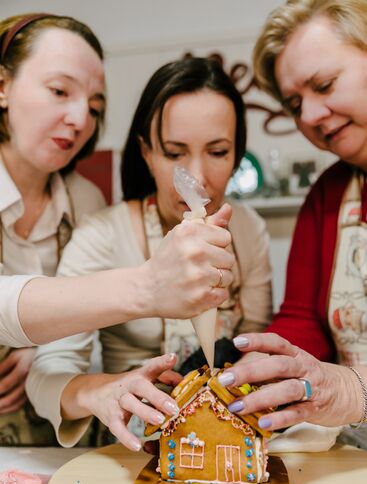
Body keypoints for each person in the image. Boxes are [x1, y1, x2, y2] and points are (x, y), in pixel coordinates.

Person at [0, 15, 234, 445]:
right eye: (58, 91)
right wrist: (147, 286)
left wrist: (37, 347)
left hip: (41, 439)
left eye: (94, 107)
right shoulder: (105, 228)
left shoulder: (84, 199)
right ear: (3, 86)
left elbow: (66, 332)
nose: (79, 119)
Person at [27, 57, 273, 451]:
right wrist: (102, 391)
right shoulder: (103, 235)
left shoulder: (250, 230)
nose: (198, 178)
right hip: (131, 449)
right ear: (146, 153)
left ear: (237, 155)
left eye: (218, 152)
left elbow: (258, 345)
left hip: (228, 438)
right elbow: (43, 379)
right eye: (175, 154)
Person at [218, 0, 367, 433]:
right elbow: (304, 321)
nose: (310, 116)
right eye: (293, 104)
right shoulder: (329, 196)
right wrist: (262, 365)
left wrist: (350, 391)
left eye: (324, 85)